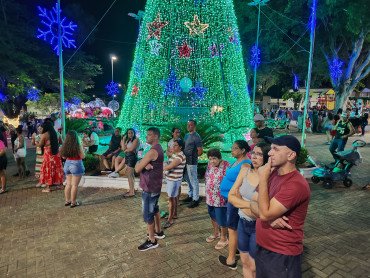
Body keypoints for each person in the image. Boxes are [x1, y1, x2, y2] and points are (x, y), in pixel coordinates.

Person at [249, 135, 310, 278]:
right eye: (271, 149)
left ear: (291, 155)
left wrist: (263, 179)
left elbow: (263, 213)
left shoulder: (295, 184)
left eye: (275, 149)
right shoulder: (273, 173)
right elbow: (252, 203)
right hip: (263, 246)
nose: (269, 153)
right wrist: (269, 218)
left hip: (282, 253)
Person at [228, 142, 271, 278]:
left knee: (255, 266)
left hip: (257, 227)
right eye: (254, 153)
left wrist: (239, 200)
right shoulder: (245, 170)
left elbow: (262, 211)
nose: (255, 157)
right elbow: (230, 196)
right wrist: (251, 205)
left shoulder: (268, 178)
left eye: (259, 154)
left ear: (266, 158)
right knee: (245, 263)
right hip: (242, 223)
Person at [218, 140, 251, 270]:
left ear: (243, 150)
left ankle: (231, 260)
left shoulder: (245, 164)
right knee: (233, 226)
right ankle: (235, 248)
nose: (231, 150)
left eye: (234, 148)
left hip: (234, 200)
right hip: (229, 198)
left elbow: (244, 185)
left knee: (232, 228)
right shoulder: (237, 161)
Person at [135, 127, 165, 251]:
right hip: (155, 185)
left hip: (149, 187)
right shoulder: (158, 149)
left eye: (149, 135)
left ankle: (152, 240)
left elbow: (136, 169)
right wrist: (143, 163)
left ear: (155, 136)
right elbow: (141, 164)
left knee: (148, 214)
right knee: (155, 208)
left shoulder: (152, 151)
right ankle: (158, 231)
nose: (146, 137)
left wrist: (142, 163)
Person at [204, 149, 230, 249]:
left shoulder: (226, 165)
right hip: (210, 197)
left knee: (221, 218)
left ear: (219, 158)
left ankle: (224, 238)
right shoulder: (209, 165)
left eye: (214, 159)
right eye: (210, 159)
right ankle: (216, 233)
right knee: (212, 215)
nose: (212, 161)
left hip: (220, 198)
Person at [109, 128, 139, 198]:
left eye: (132, 133)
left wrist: (126, 150)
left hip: (132, 157)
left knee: (129, 174)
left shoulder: (136, 140)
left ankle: (131, 192)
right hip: (128, 156)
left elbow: (131, 149)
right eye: (129, 133)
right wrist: (123, 140)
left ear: (134, 133)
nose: (130, 134)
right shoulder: (128, 140)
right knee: (130, 174)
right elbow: (123, 148)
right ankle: (132, 190)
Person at [162, 139, 186, 229]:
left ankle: (170, 219)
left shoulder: (179, 157)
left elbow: (170, 166)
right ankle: (174, 214)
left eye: (175, 145)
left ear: (180, 147)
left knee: (171, 198)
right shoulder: (178, 155)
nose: (173, 146)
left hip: (174, 180)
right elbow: (171, 157)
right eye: (173, 145)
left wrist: (159, 168)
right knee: (174, 197)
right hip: (173, 179)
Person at [181, 120, 203, 208]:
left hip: (192, 162)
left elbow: (200, 151)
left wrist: (193, 156)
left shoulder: (196, 137)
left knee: (194, 180)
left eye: (191, 125)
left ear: (194, 126)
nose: (189, 126)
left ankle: (196, 199)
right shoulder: (186, 135)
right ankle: (190, 196)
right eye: (188, 125)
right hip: (185, 161)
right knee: (188, 179)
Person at [60, 130, 85, 208]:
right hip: (76, 164)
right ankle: (73, 203)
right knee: (74, 185)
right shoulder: (78, 145)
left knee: (68, 184)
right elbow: (83, 156)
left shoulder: (65, 146)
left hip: (67, 164)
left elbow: (63, 157)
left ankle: (67, 201)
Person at [38, 121, 64, 193]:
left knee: (48, 169)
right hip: (56, 153)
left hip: (48, 154)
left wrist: (36, 142)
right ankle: (61, 184)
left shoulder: (44, 135)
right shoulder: (57, 134)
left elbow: (40, 145)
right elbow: (61, 142)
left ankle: (48, 187)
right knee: (57, 168)